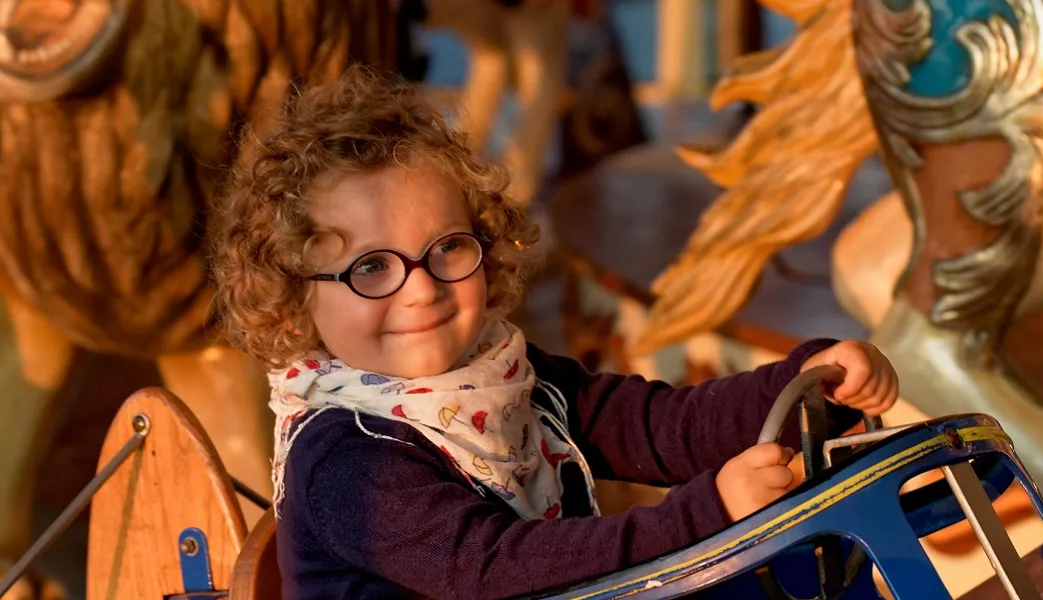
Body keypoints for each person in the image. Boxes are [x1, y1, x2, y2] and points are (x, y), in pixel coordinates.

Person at [209, 65, 899, 599]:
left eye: (447, 247)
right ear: (296, 301)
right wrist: (702, 515)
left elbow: (658, 427)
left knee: (816, 568)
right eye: (370, 267)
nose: (420, 287)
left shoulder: (501, 376)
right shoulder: (349, 457)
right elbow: (496, 571)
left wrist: (806, 383)